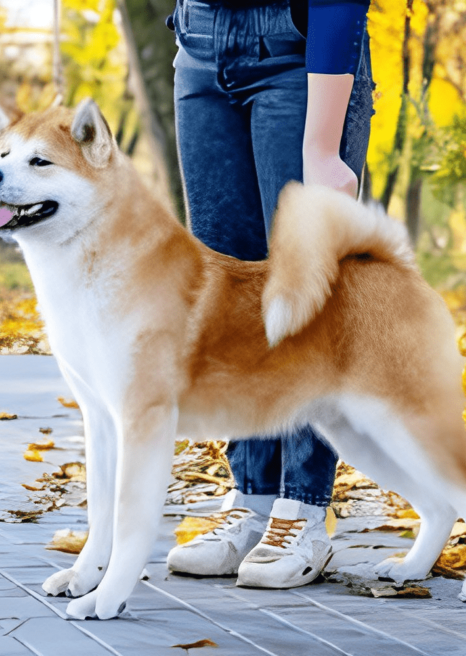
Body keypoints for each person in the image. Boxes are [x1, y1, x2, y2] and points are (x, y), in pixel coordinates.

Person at [165, 0, 375, 588]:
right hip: (200, 48)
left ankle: (302, 509)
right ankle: (252, 500)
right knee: (228, 292)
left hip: (299, 50)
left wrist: (323, 147)